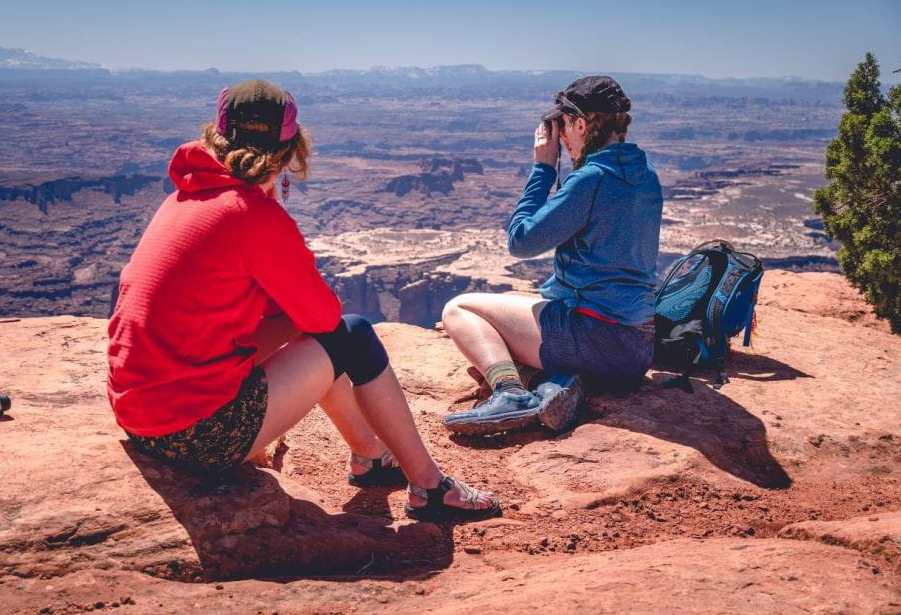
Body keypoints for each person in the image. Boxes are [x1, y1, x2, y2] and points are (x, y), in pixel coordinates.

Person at [107, 79, 499, 521]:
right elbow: (326, 318)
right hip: (198, 436)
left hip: (141, 420)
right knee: (353, 334)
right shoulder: (250, 214)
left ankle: (370, 455)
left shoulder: (187, 195)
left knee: (318, 337)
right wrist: (271, 213)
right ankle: (429, 486)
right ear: (290, 150)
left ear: (217, 135)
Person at [442, 76, 662, 435]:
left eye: (564, 127)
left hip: (597, 338)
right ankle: (556, 384)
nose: (561, 138)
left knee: (459, 309)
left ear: (581, 125)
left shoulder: (593, 178)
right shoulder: (644, 171)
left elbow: (521, 241)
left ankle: (511, 393)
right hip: (637, 348)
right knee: (521, 305)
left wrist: (543, 169)